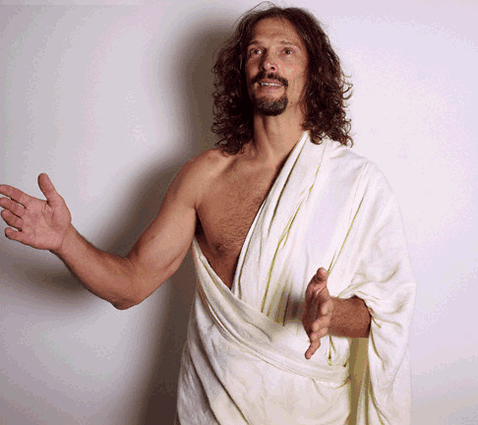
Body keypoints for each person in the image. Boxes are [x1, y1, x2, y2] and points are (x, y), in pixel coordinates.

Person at [0, 4, 415, 424]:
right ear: (242, 71)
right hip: (213, 411)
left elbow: (386, 314)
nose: (268, 62)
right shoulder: (204, 177)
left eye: (286, 51)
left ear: (314, 72)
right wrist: (65, 240)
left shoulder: (358, 184)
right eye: (256, 51)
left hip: (313, 412)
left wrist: (329, 313)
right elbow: (131, 286)